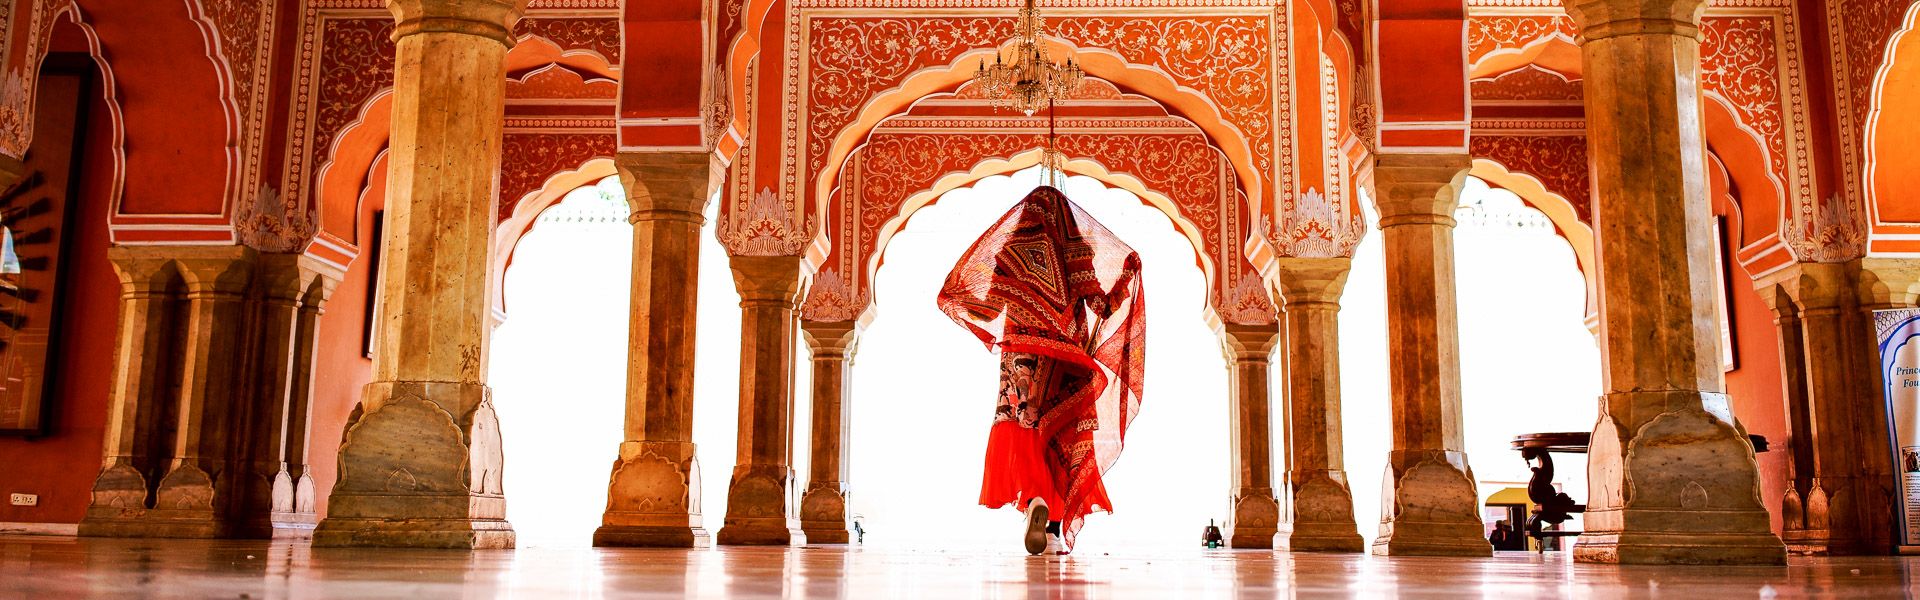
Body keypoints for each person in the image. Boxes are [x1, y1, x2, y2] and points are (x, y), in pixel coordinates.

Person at [938, 186, 1146, 556]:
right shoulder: (1074, 250)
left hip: (1019, 359)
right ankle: (1051, 529)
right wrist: (1126, 279)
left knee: (1024, 427)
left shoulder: (1009, 254)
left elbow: (987, 311)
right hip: (1063, 358)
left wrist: (958, 297)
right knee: (1061, 432)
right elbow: (1101, 305)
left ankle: (1035, 499)